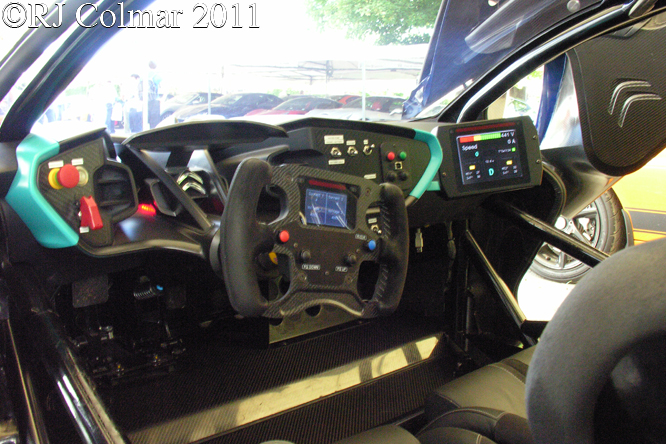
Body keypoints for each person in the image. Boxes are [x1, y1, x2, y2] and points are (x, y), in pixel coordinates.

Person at [147, 61, 162, 128]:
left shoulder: (144, 76)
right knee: (155, 123)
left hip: (145, 100)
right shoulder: (157, 76)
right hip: (155, 100)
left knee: (146, 119)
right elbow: (163, 88)